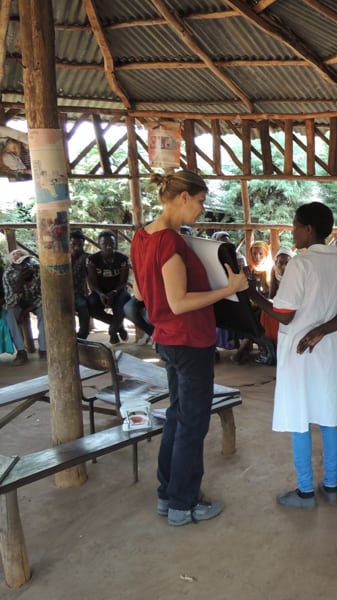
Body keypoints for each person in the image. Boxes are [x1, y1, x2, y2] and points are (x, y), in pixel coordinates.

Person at [130, 170, 248, 527]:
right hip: (189, 339)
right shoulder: (170, 242)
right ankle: (184, 503)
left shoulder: (141, 237)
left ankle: (168, 494)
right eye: (199, 201)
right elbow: (179, 302)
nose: (202, 208)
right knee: (192, 424)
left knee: (178, 417)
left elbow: (139, 293)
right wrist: (228, 289)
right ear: (182, 198)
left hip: (166, 338)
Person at [251, 202, 337, 510]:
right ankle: (332, 486)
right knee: (327, 416)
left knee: (299, 416)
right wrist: (322, 330)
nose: (293, 231)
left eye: (295, 225)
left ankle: (305, 492)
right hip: (331, 348)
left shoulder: (301, 263)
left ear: (308, 229)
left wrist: (251, 293)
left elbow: (283, 315)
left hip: (301, 351)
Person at [87, 230, 132, 345]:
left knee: (123, 303)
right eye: (104, 244)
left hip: (118, 290)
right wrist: (101, 294)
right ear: (99, 245)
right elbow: (92, 282)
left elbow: (123, 282)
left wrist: (114, 292)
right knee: (91, 306)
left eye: (111, 244)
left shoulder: (122, 259)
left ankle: (112, 331)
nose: (108, 247)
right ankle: (118, 326)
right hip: (100, 291)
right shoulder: (93, 260)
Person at [3, 248, 46, 364]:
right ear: (14, 266)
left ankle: (43, 349)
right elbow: (10, 302)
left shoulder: (37, 269)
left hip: (35, 302)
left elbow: (45, 295)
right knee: (10, 315)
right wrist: (19, 283)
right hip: (19, 302)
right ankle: (21, 352)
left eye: (25, 261)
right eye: (20, 264)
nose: (25, 266)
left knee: (45, 311)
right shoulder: (8, 275)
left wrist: (26, 311)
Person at [70, 229, 91, 339]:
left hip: (77, 292)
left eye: (79, 244)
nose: (77, 247)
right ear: (69, 243)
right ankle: (68, 335)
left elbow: (90, 276)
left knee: (83, 306)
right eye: (74, 244)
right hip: (61, 292)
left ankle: (82, 335)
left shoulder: (86, 258)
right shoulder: (61, 257)